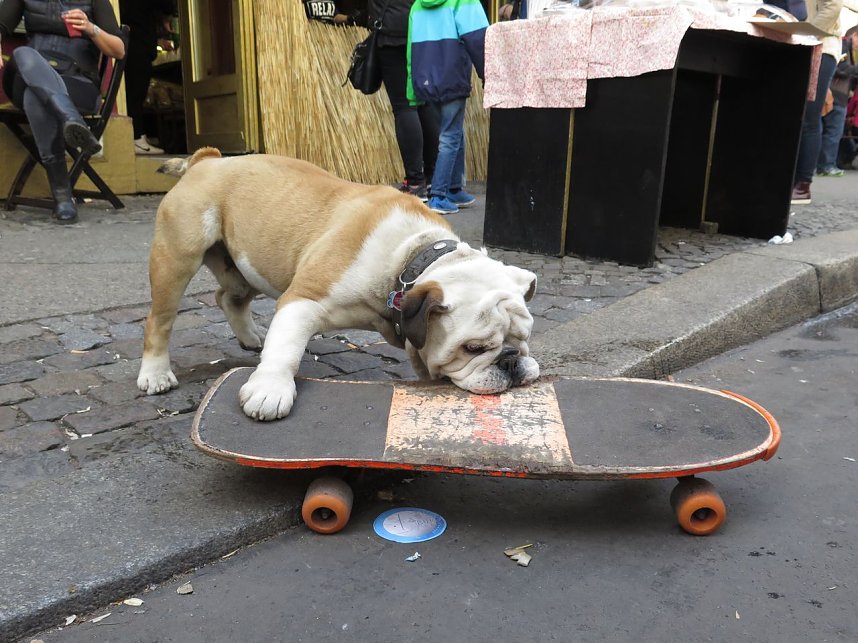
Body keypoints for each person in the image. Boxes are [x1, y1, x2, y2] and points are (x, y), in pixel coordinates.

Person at [0, 0, 125, 224]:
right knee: (23, 54)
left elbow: (119, 50)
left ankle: (62, 196)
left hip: (77, 84)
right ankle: (71, 118)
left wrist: (91, 29)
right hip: (25, 75)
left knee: (36, 98)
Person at [406, 0, 488, 215]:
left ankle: (453, 189)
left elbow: (410, 50)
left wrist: (412, 88)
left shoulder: (417, 6)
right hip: (452, 76)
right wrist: (488, 74)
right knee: (450, 136)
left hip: (425, 80)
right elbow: (479, 39)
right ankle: (439, 195)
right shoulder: (464, 1)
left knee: (452, 132)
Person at [366, 0, 439, 200]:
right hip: (422, 30)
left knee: (404, 107)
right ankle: (432, 178)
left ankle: (415, 182)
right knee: (425, 103)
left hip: (393, 33)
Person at [790, 0, 844, 205]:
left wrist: (806, 33)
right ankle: (791, 179)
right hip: (799, 42)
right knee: (797, 114)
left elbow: (833, 6)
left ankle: (803, 184)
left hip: (820, 44)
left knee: (809, 116)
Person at [119, 0, 177, 155]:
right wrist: (168, 15)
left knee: (135, 91)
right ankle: (136, 137)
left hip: (132, 39)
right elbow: (166, 5)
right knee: (136, 92)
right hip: (138, 40)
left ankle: (138, 135)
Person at [816, 25, 858, 176]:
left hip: (834, 94)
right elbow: (841, 68)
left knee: (824, 130)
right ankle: (827, 165)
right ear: (854, 35)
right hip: (836, 95)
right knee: (833, 131)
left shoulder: (845, 47)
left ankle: (820, 164)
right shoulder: (843, 45)